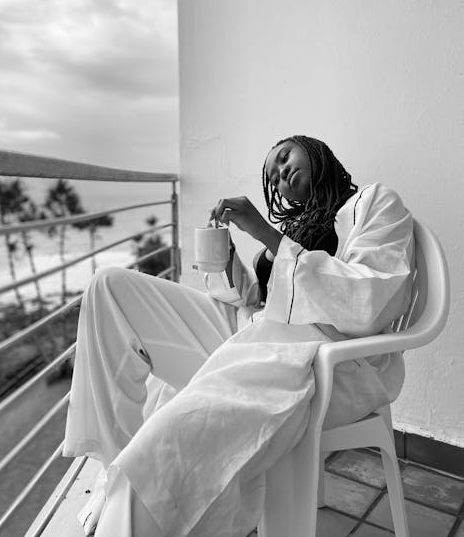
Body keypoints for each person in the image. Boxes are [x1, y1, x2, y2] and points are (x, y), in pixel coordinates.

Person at [63, 135, 414, 537]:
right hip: (252, 329)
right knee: (108, 288)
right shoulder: (297, 226)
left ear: (315, 150)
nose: (281, 173)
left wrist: (268, 236)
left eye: (284, 157)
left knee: (169, 444)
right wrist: (228, 258)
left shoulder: (374, 203)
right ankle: (114, 462)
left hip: (314, 353)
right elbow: (258, 301)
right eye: (273, 177)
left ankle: (128, 503)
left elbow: (368, 303)